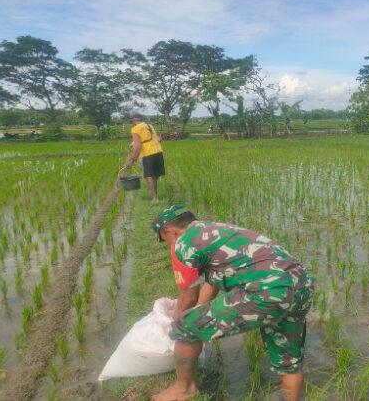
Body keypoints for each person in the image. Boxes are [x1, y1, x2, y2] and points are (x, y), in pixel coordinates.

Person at [151, 205, 314, 401]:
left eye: (163, 238)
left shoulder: (185, 241)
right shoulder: (216, 231)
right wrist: (198, 314)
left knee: (185, 327)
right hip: (302, 285)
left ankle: (184, 388)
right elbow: (212, 284)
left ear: (168, 230)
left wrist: (177, 324)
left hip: (267, 290)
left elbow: (188, 296)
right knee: (289, 361)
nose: (167, 243)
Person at [120, 113, 165, 202]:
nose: (131, 124)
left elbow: (137, 147)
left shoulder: (135, 129)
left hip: (148, 153)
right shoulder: (149, 126)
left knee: (149, 176)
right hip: (158, 151)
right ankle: (155, 196)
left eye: (131, 122)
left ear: (134, 121)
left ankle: (155, 198)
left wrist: (131, 161)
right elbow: (156, 139)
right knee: (155, 175)